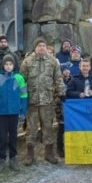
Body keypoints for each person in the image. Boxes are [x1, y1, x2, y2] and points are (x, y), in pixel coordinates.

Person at [20, 37, 66, 166]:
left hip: (47, 101)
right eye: (39, 45)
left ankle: (49, 153)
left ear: (46, 48)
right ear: (35, 48)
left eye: (43, 46)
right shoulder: (27, 62)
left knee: (48, 128)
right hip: (32, 102)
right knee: (31, 128)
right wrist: (20, 97)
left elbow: (58, 79)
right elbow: (21, 80)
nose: (41, 48)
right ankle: (29, 155)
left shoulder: (52, 62)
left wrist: (62, 93)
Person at [0, 55, 28, 173]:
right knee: (1, 137)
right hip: (2, 113)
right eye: (6, 64)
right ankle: (1, 159)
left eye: (10, 64)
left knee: (13, 137)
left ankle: (13, 158)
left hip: (14, 113)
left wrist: (22, 111)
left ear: (14, 65)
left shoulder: (19, 78)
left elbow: (24, 96)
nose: (8, 66)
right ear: (3, 65)